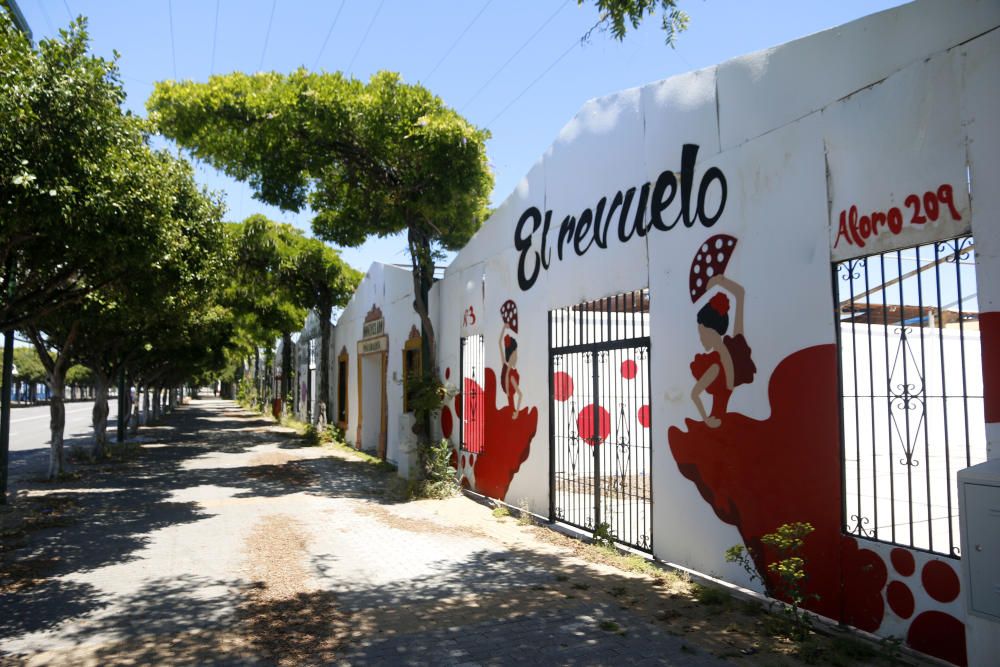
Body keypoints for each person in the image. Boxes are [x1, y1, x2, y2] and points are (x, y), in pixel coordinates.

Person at [690, 275, 756, 428]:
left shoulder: (715, 366)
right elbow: (740, 294)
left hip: (716, 425)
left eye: (702, 334)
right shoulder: (736, 351)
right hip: (725, 423)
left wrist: (707, 420)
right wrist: (720, 281)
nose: (701, 339)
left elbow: (694, 394)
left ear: (711, 333)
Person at [499, 321, 523, 418]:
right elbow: (520, 395)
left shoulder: (505, 368)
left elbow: (499, 343)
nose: (517, 356)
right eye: (516, 354)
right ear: (512, 355)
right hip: (512, 411)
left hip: (510, 410)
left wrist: (504, 328)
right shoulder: (511, 375)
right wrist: (517, 412)